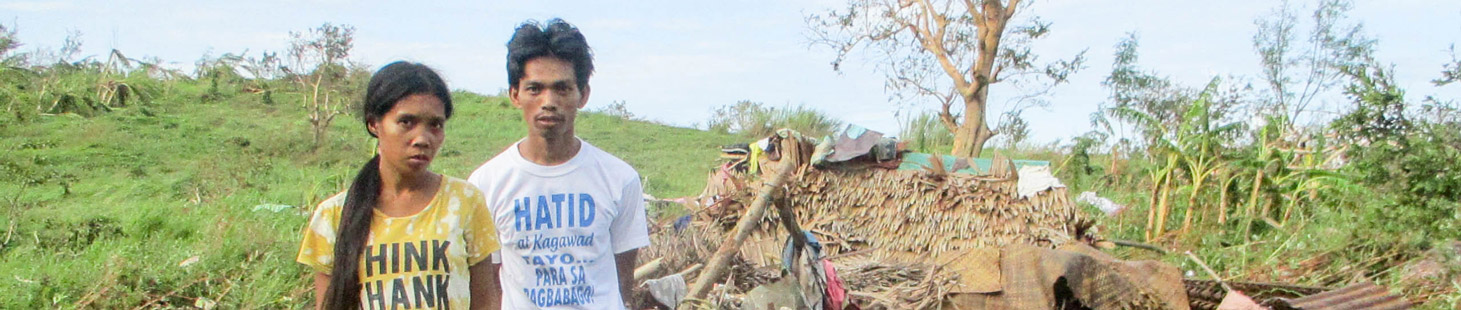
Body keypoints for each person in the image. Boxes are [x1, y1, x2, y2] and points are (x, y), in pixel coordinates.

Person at [468, 19, 650, 310]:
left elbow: (622, 281)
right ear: (515, 94)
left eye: (562, 89)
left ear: (583, 95)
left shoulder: (620, 179)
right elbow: (490, 285)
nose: (548, 101)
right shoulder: (486, 184)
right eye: (534, 88)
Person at [298, 61, 500, 310]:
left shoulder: (465, 201)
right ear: (374, 124)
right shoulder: (334, 215)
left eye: (435, 125)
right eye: (406, 122)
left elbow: (486, 301)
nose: (423, 139)